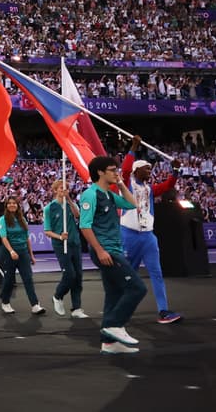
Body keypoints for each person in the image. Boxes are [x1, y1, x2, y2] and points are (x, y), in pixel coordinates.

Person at [79, 155, 148, 354]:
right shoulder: (90, 194)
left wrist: (121, 185)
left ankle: (109, 343)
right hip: (106, 250)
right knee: (137, 288)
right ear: (100, 172)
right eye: (112, 170)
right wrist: (100, 250)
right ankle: (113, 324)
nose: (116, 173)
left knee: (114, 294)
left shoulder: (109, 194)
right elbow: (84, 226)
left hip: (114, 249)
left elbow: (132, 204)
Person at [120, 136, 182, 324]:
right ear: (137, 170)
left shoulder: (150, 189)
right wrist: (133, 148)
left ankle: (163, 311)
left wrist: (176, 170)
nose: (150, 171)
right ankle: (119, 307)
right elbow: (124, 170)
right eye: (146, 169)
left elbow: (169, 185)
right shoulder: (127, 184)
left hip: (148, 236)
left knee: (156, 272)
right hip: (129, 235)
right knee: (128, 274)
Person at [43, 180, 88, 319]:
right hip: (61, 245)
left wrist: (68, 199)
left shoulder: (70, 204)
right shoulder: (49, 208)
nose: (64, 190)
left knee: (78, 276)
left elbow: (78, 215)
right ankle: (58, 296)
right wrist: (60, 237)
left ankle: (77, 308)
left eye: (66, 188)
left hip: (75, 242)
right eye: (61, 188)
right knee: (70, 274)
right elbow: (47, 231)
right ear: (55, 190)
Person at [0, 196, 45, 315]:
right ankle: (5, 302)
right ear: (6, 206)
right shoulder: (2, 220)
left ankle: (35, 305)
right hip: (8, 252)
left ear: (18, 205)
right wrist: (12, 251)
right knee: (9, 279)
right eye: (9, 203)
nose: (12, 205)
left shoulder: (22, 219)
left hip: (23, 252)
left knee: (28, 278)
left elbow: (27, 238)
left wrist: (31, 255)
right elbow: (4, 238)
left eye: (14, 203)